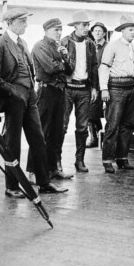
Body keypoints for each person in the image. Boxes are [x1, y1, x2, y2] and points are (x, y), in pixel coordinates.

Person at [0, 8, 69, 198]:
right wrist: (12, 92)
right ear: (11, 22)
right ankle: (12, 186)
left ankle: (44, 182)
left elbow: (30, 70)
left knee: (38, 139)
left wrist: (30, 92)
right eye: (23, 21)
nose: (26, 25)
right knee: (13, 143)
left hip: (30, 96)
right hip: (13, 98)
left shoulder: (23, 43)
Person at [98, 19, 134, 173]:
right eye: (130, 29)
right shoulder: (112, 46)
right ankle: (107, 160)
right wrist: (104, 89)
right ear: (122, 31)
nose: (133, 32)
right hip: (116, 88)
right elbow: (103, 67)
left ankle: (122, 158)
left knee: (128, 125)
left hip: (131, 88)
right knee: (113, 125)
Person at [32, 18, 74, 180]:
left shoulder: (58, 47)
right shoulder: (40, 46)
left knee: (58, 132)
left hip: (60, 91)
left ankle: (54, 168)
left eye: (60, 29)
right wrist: (62, 61)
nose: (59, 32)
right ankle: (34, 171)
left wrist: (64, 58)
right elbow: (50, 68)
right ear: (47, 30)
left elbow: (69, 69)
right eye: (56, 29)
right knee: (41, 132)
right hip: (46, 91)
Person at [60, 11, 100, 173]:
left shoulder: (90, 44)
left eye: (88, 25)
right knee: (62, 126)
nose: (87, 28)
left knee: (82, 127)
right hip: (68, 88)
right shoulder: (65, 42)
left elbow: (94, 67)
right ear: (75, 26)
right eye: (84, 25)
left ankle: (80, 160)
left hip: (84, 89)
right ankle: (57, 161)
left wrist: (95, 87)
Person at [87, 22, 109, 147]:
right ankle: (94, 137)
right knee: (90, 112)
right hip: (93, 83)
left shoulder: (108, 46)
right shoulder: (90, 46)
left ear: (105, 33)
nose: (98, 33)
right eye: (95, 31)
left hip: (105, 83)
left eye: (100, 31)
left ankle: (106, 139)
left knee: (107, 112)